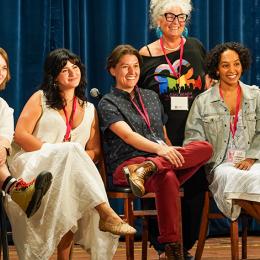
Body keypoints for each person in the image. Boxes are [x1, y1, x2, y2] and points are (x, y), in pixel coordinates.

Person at [6, 48, 136, 260]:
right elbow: (20, 135)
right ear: (54, 76)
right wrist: (58, 152)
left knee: (69, 187)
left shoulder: (90, 109)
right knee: (70, 151)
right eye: (65, 69)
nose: (72, 72)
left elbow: (95, 151)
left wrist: (72, 160)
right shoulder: (40, 98)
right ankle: (105, 213)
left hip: (70, 172)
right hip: (34, 165)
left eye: (75, 67)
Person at [98, 44, 213, 260]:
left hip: (155, 161)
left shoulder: (151, 96)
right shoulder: (107, 102)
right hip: (129, 164)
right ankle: (171, 248)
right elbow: (128, 136)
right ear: (113, 70)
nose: (132, 72)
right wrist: (162, 150)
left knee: (205, 148)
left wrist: (168, 150)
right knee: (167, 176)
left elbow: (163, 133)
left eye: (135, 66)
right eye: (125, 67)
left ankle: (150, 168)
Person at [138, 0, 209, 258]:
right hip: (159, 134)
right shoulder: (144, 54)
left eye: (182, 17)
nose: (176, 22)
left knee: (194, 190)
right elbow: (142, 100)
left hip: (194, 132)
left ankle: (184, 246)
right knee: (163, 186)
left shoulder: (195, 47)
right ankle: (163, 246)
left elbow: (207, 85)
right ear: (158, 20)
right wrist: (160, 135)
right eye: (169, 16)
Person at [184, 42, 260, 223]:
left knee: (255, 179)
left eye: (237, 63)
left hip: (253, 161)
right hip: (220, 166)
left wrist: (251, 158)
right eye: (225, 65)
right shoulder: (202, 101)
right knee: (241, 179)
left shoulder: (255, 96)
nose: (232, 69)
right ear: (217, 69)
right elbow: (192, 141)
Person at [0, 47, 52, 218]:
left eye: (4, 68)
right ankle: (16, 190)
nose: (1, 72)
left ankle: (16, 190)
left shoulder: (4, 107)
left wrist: (3, 148)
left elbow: (7, 135)